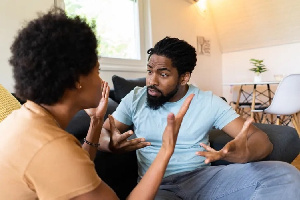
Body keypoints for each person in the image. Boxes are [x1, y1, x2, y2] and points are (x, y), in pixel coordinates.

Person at [0, 10, 194, 200]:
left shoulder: (26, 121)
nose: (102, 81)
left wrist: (96, 121)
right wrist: (166, 149)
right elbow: (61, 159)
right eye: (97, 71)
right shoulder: (51, 146)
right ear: (77, 79)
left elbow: (74, 172)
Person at [99, 37, 300, 199]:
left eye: (163, 74)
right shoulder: (136, 97)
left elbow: (259, 139)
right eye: (150, 71)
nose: (152, 81)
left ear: (184, 77)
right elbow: (103, 131)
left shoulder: (207, 101)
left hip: (204, 178)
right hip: (158, 186)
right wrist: (109, 143)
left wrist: (244, 152)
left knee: (285, 175)